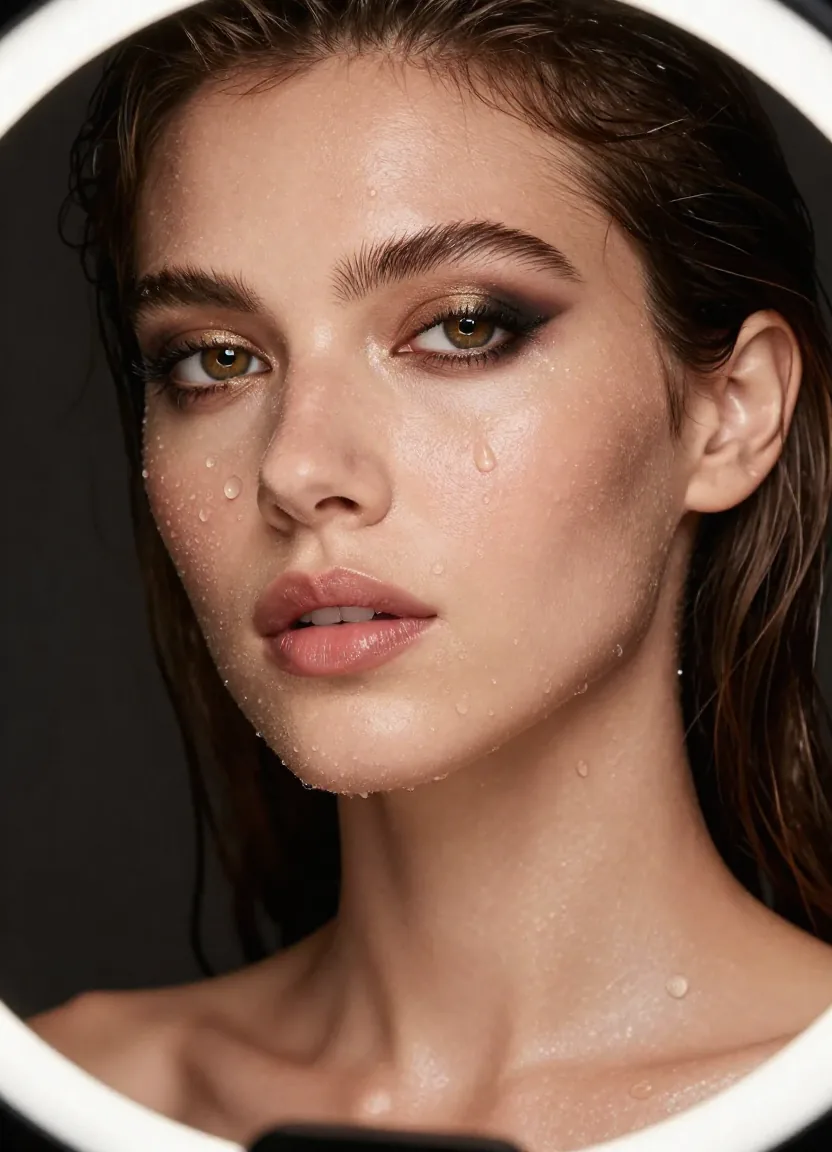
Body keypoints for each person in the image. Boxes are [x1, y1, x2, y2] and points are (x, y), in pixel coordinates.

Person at [26, 0, 832, 1148]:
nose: (298, 469)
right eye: (217, 359)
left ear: (728, 415)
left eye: (459, 328)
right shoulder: (77, 1088)